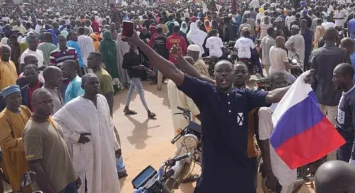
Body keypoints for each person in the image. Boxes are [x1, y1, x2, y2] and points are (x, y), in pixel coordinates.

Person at [124, 30, 300, 193]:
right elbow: (171, 71)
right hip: (213, 177)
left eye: (227, 71)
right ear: (213, 76)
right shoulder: (206, 93)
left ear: (233, 75)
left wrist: (300, 83)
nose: (224, 75)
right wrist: (140, 43)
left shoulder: (245, 96)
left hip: (242, 175)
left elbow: (271, 95)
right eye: (219, 72)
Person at [53, 74, 121, 193]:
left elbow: (109, 124)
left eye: (97, 83)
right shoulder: (74, 105)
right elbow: (55, 122)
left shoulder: (102, 99)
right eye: (91, 83)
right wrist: (75, 137)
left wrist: (116, 146)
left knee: (108, 177)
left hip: (106, 150)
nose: (95, 85)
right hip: (87, 150)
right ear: (83, 86)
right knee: (90, 182)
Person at [23, 88, 79, 193]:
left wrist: (74, 176)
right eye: (43, 102)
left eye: (50, 101)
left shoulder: (49, 119)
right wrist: (48, 190)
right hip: (55, 187)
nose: (49, 104)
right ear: (33, 104)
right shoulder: (33, 130)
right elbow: (34, 165)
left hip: (68, 180)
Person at [309, 27, 350, 160]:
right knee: (332, 131)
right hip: (336, 98)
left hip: (319, 96)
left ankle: (317, 157)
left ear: (323, 38)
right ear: (337, 38)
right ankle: (330, 162)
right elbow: (349, 75)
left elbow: (312, 77)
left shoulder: (315, 53)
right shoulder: (343, 53)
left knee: (318, 129)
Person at [257, 71, 296, 193]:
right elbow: (264, 143)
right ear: (271, 86)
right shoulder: (266, 112)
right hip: (277, 167)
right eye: (278, 83)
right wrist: (270, 173)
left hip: (291, 164)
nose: (282, 86)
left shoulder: (291, 108)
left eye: (285, 83)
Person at [0, 85, 32, 193]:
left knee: (33, 182)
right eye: (12, 97)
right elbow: (6, 142)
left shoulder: (25, 109)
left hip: (30, 153)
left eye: (18, 96)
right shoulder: (3, 118)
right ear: (5, 99)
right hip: (16, 158)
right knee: (21, 184)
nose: (17, 100)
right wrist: (27, 142)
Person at [333, 63, 355, 172]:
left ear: (346, 77)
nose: (333, 79)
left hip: (350, 151)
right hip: (343, 147)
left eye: (335, 76)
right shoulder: (346, 94)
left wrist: (354, 160)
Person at [122, 43, 155, 119]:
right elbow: (124, 66)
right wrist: (135, 67)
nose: (134, 44)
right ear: (129, 43)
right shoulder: (127, 54)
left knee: (131, 90)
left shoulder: (137, 51)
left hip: (137, 74)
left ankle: (126, 107)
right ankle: (148, 111)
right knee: (141, 91)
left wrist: (147, 70)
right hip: (133, 74)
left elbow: (140, 65)